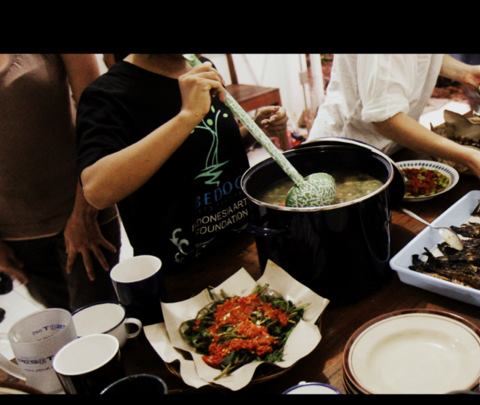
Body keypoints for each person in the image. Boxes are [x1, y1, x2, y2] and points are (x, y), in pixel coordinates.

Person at [75, 54, 287, 300]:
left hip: (243, 247)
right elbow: (97, 190)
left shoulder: (202, 65)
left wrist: (253, 128)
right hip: (181, 277)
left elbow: (208, 146)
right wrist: (187, 116)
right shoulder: (108, 95)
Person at [0, 53, 121, 311]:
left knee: (103, 326)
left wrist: (84, 213)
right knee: (64, 335)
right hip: (17, 239)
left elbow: (99, 117)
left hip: (82, 212)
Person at [308, 54, 480, 192]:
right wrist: (471, 157)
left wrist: (463, 71)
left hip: (391, 150)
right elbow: (385, 119)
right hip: (345, 160)